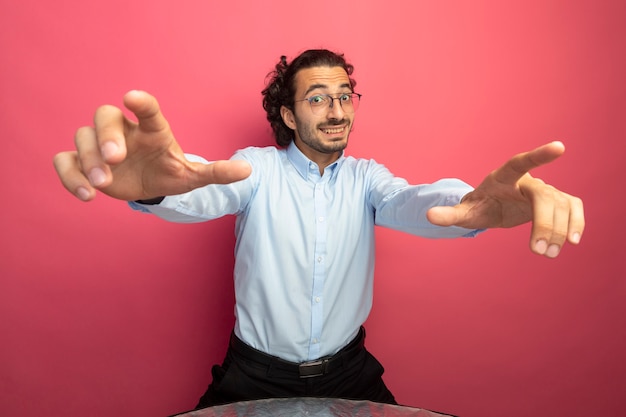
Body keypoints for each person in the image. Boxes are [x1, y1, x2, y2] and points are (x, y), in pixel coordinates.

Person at [53, 49, 585, 408]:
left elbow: (410, 202)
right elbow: (207, 189)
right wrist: (154, 187)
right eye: (317, 98)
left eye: (345, 95)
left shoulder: (367, 178)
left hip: (352, 372)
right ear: (288, 115)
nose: (336, 110)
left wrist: (475, 206)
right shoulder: (255, 168)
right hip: (251, 374)